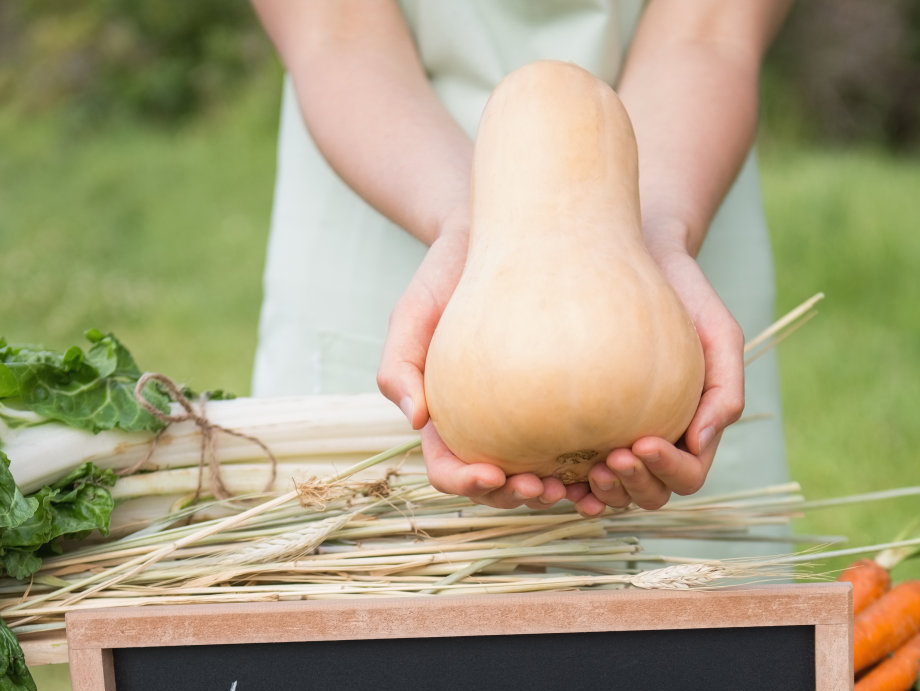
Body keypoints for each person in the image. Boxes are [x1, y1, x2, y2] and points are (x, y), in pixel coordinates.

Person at [249, 0, 793, 536]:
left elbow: (710, 32)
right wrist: (466, 226)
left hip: (677, 162)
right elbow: (336, 30)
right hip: (385, 155)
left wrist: (661, 231)